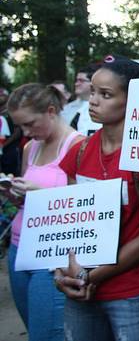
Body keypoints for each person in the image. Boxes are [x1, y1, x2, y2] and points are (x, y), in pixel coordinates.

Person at [54, 58, 139, 341]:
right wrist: (63, 273)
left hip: (134, 293)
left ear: (133, 101)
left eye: (106, 94)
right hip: (81, 291)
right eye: (93, 91)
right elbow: (69, 225)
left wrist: (89, 276)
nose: (93, 101)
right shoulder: (80, 151)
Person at [6, 83, 84, 341]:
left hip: (53, 252)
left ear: (51, 111)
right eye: (20, 126)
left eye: (30, 124)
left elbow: (85, 206)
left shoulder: (77, 146)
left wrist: (38, 192)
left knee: (45, 334)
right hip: (19, 247)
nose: (26, 132)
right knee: (34, 328)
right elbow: (27, 200)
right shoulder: (30, 147)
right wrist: (14, 193)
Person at [61, 65, 103, 136]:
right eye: (76, 80)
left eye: (81, 81)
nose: (76, 84)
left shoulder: (105, 108)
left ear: (93, 83)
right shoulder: (67, 109)